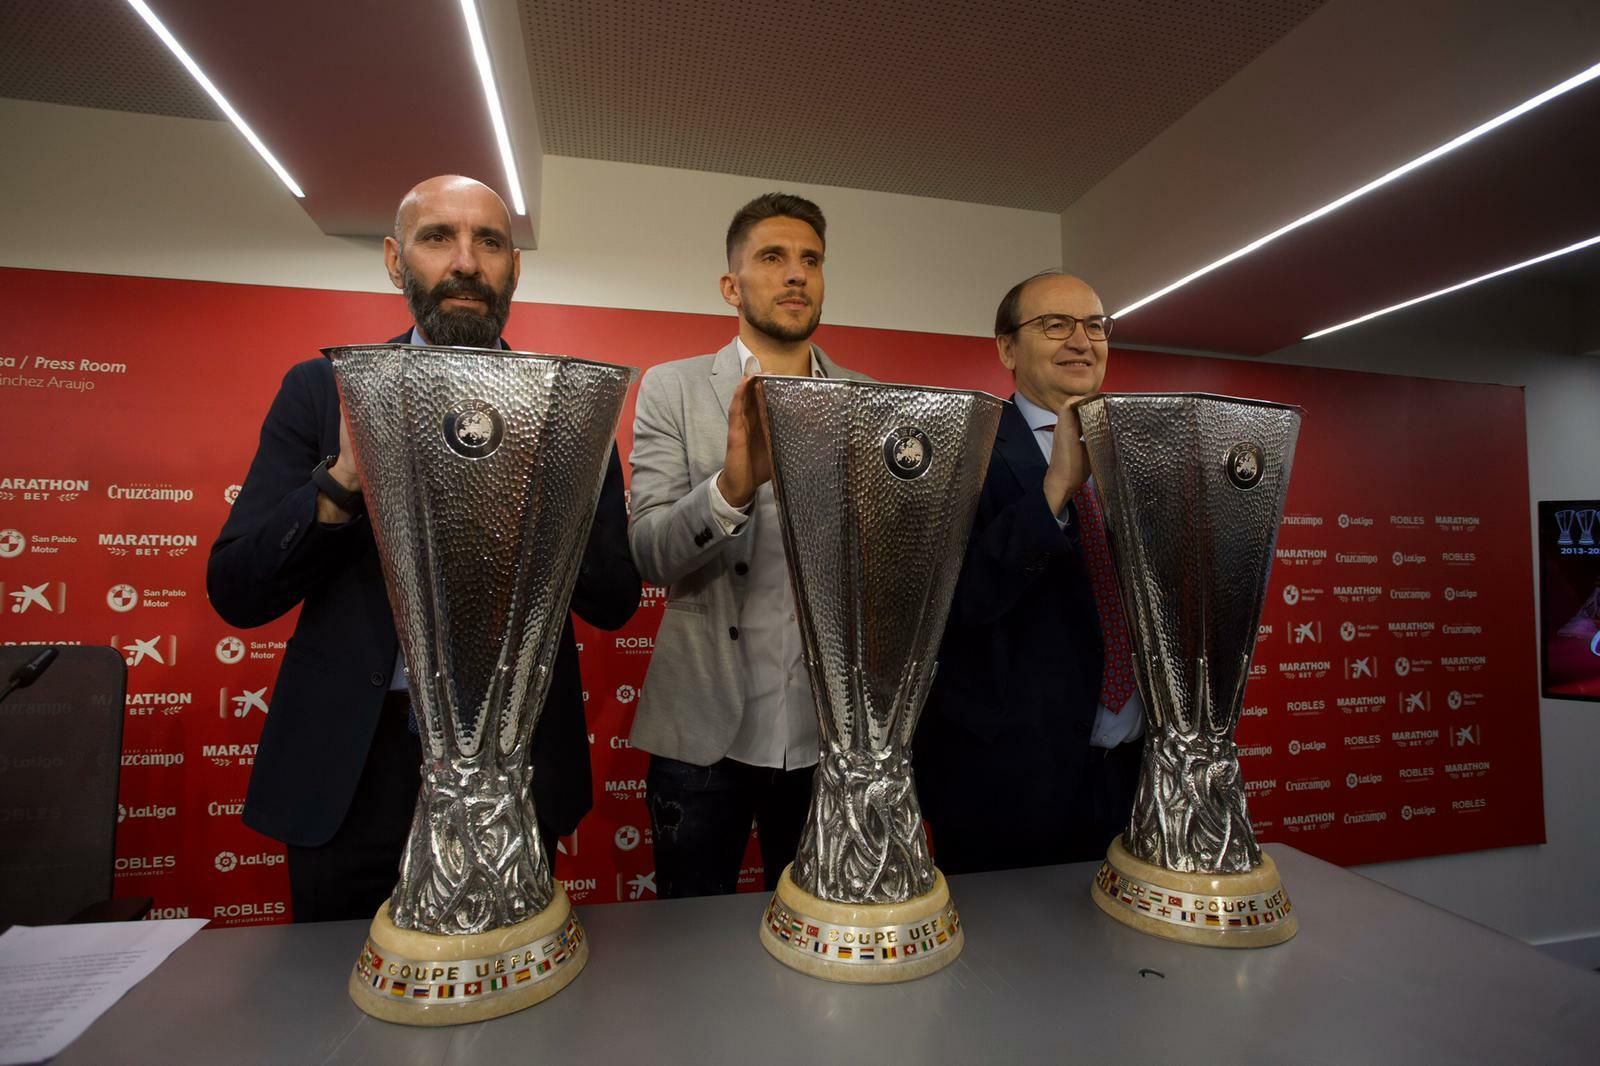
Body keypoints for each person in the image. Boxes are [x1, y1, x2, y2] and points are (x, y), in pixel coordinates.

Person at [207, 175, 639, 922]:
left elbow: (615, 600)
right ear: (393, 259)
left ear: (514, 267)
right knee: (331, 1010)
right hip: (353, 770)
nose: (466, 262)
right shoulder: (321, 392)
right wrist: (342, 481)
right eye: (438, 237)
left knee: (514, 1007)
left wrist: (549, 499)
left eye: (490, 242)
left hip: (516, 768)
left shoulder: (567, 406)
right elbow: (237, 591)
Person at [626, 192, 870, 897]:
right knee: (691, 947)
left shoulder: (864, 397)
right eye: (773, 258)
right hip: (703, 736)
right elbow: (648, 552)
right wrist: (731, 489)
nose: (796, 275)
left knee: (820, 931)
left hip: (829, 736)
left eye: (811, 261)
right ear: (732, 286)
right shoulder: (672, 389)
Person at [915, 271, 1143, 873]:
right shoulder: (957, 450)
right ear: (1007, 349)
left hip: (1133, 776)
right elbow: (949, 609)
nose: (1080, 341)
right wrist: (1054, 493)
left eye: (1094, 325)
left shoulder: (1142, 451)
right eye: (1055, 325)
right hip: (1005, 785)